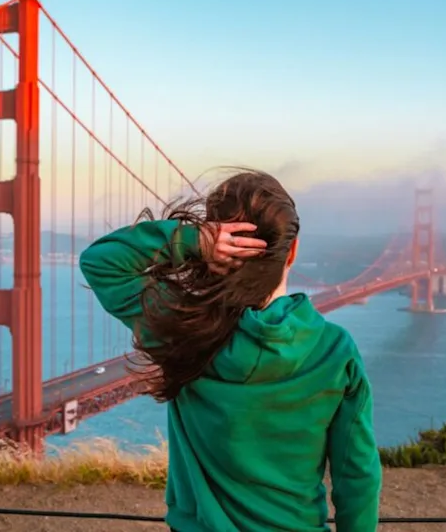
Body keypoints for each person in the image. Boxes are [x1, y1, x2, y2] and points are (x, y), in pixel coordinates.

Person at [80, 168, 381, 531]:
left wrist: (191, 240)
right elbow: (357, 475)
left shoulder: (184, 330)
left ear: (215, 243)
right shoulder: (336, 350)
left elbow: (102, 262)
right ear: (293, 251)